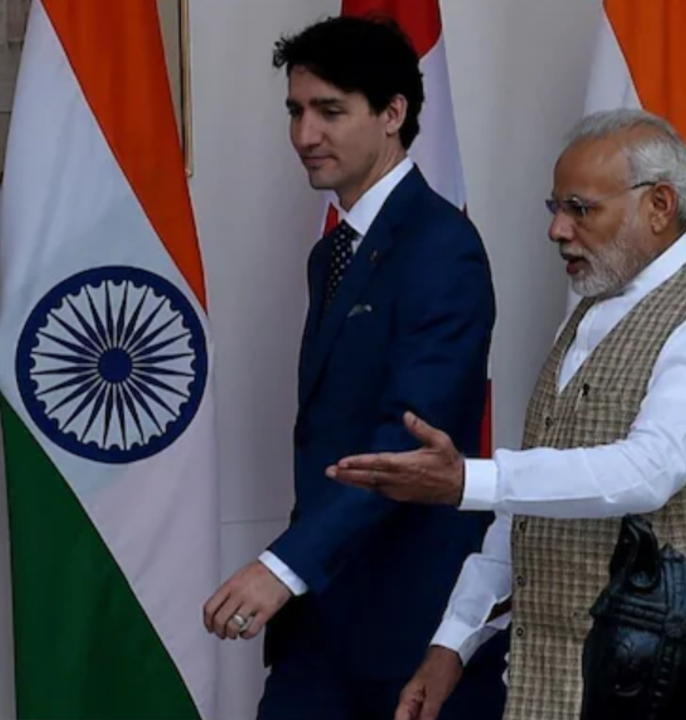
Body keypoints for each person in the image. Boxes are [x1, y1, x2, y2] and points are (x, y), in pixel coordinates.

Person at [328, 108, 686, 720]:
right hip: (553, 685)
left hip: (672, 690)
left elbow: (649, 471)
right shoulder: (592, 310)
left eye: (580, 208)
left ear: (659, 205)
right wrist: (452, 644)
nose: (558, 230)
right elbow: (530, 507)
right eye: (554, 209)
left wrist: (469, 480)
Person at [201, 15, 507, 720]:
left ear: (393, 113)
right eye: (296, 111)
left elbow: (405, 442)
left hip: (408, 628)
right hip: (322, 617)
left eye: (330, 111)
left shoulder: (441, 248)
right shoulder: (333, 252)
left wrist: (282, 566)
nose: (305, 135)